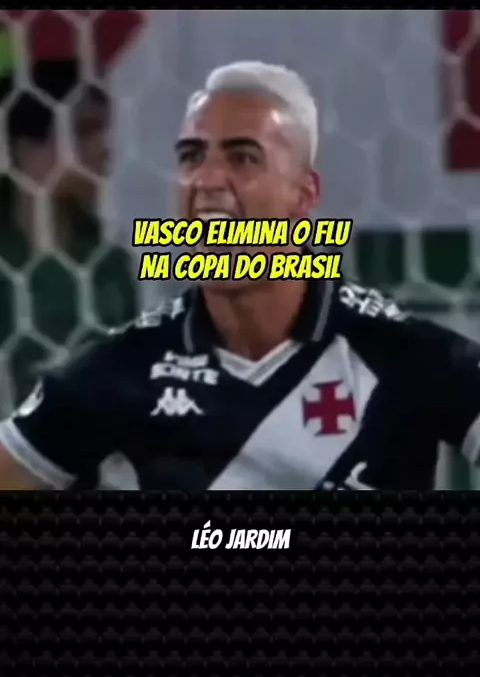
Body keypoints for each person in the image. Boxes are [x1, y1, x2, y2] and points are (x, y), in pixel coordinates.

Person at [0, 59, 479, 491]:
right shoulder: (124, 367)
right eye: (191, 157)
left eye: (243, 157)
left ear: (304, 195)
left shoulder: (397, 353)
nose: (207, 180)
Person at [0, 60, 137, 415]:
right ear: (26, 148)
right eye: (84, 130)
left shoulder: (108, 263)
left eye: (103, 131)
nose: (104, 148)